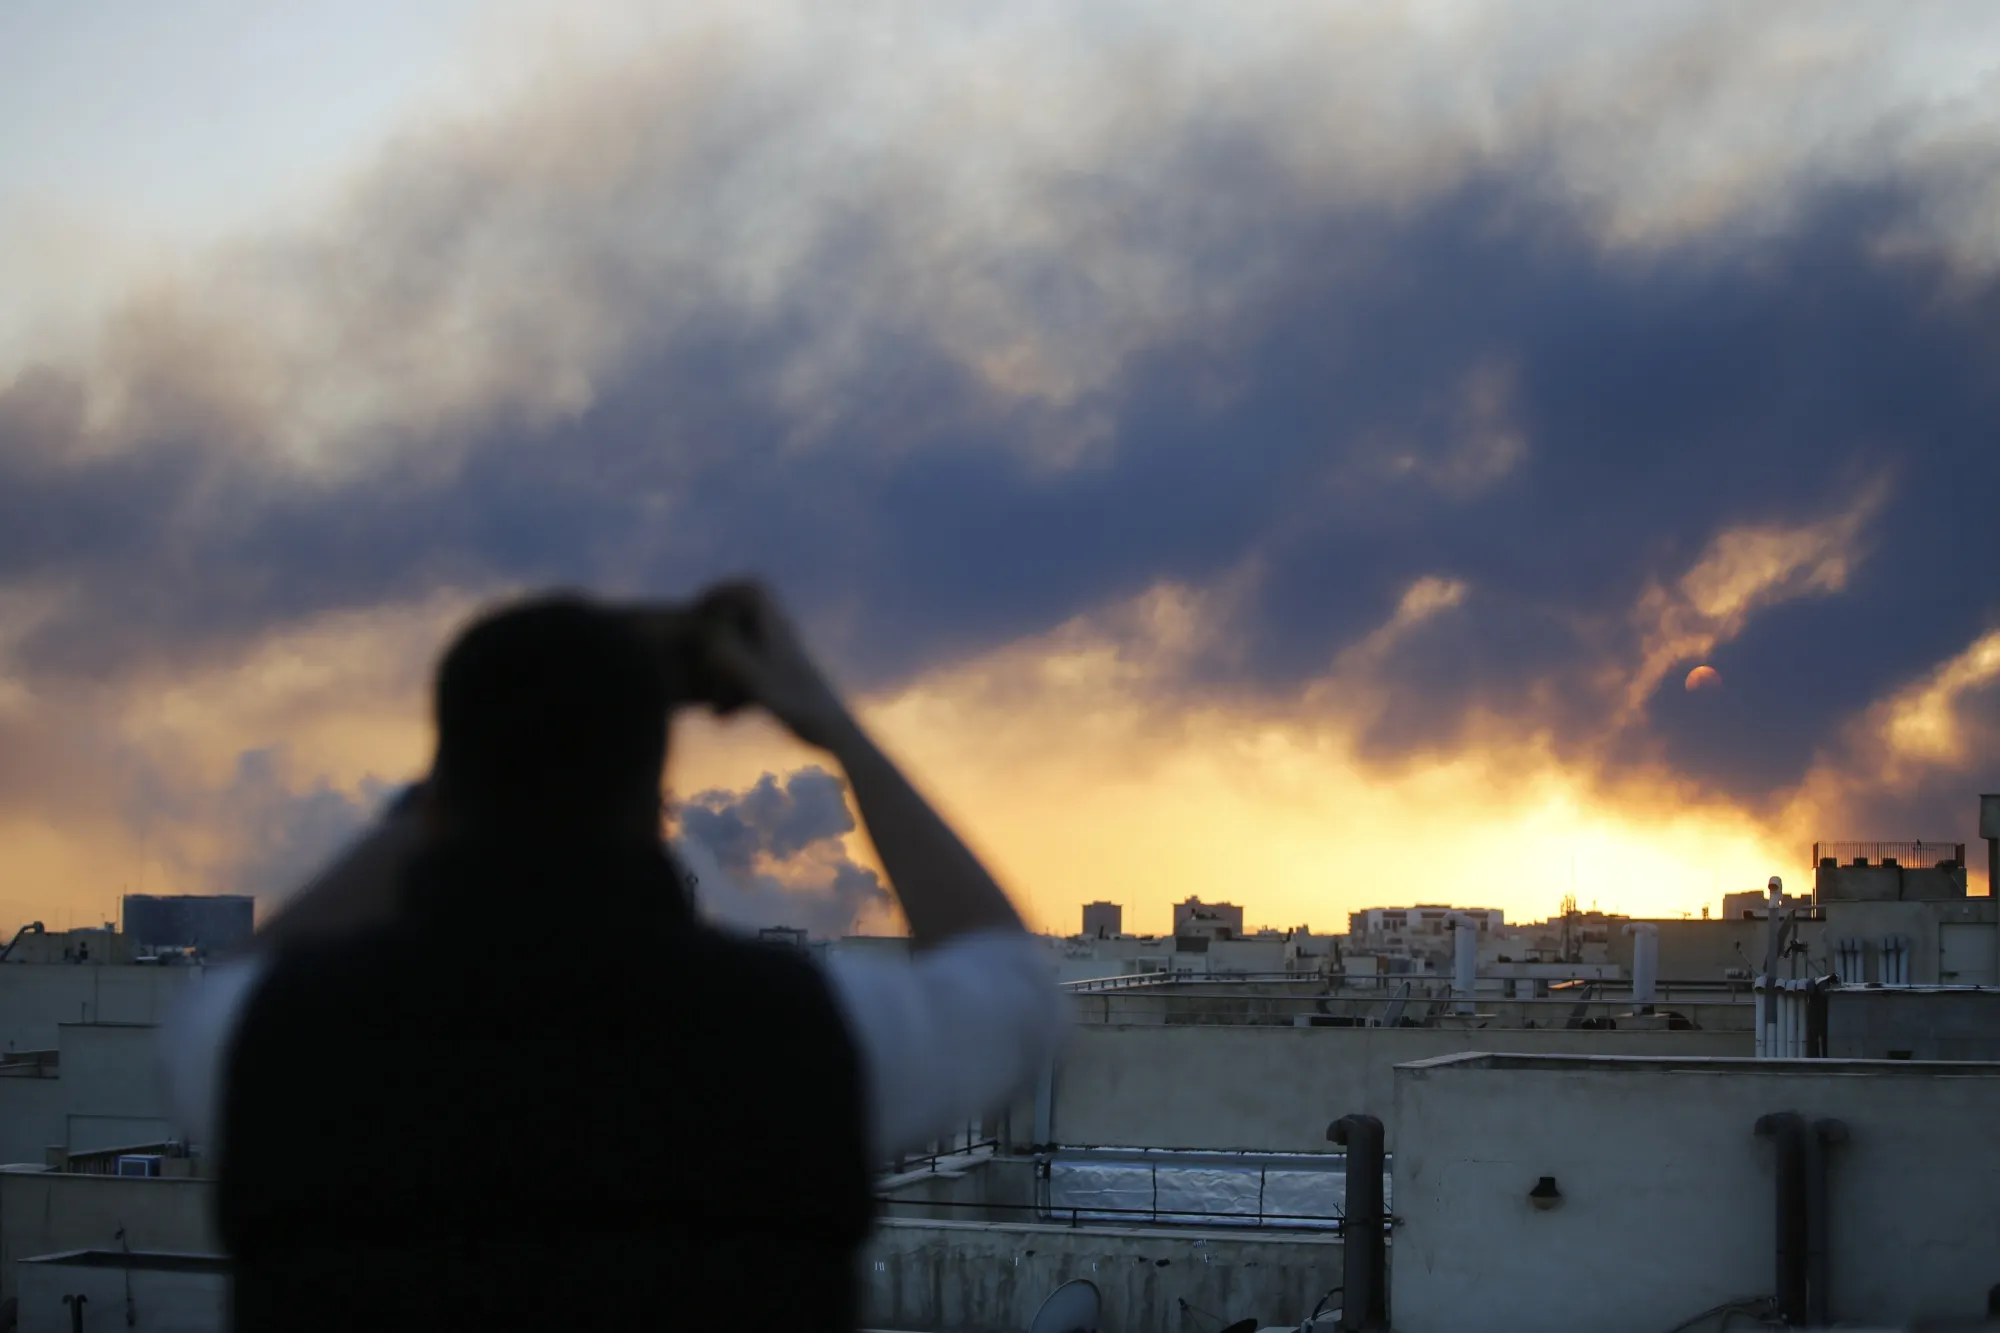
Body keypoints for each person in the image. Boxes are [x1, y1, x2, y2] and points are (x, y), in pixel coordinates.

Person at [157, 581, 1068, 1332]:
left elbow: (228, 989)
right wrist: (829, 721)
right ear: (654, 807)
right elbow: (1012, 982)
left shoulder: (281, 1044)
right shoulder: (798, 1035)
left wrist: (479, 755)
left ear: (441, 799)